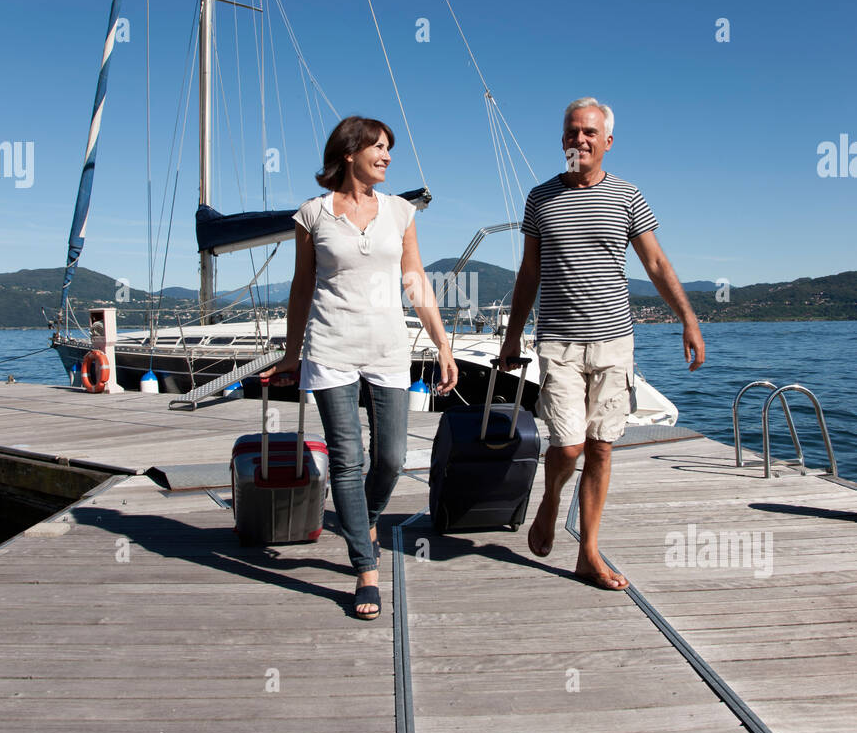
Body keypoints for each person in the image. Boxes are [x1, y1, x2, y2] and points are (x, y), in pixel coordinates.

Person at [499, 97, 705, 590]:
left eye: (590, 132)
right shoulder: (540, 198)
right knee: (567, 448)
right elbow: (529, 272)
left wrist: (688, 319)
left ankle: (588, 552)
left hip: (615, 344)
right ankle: (551, 501)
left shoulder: (629, 197)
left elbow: (655, 264)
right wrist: (511, 337)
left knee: (602, 448)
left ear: (608, 141)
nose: (580, 140)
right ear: (563, 139)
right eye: (572, 132)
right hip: (559, 345)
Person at [267, 116, 458, 619]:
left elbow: (414, 278)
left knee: (391, 458)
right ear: (349, 152)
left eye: (389, 148)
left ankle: (361, 520)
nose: (388, 156)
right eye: (378, 146)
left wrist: (442, 343)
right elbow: (301, 288)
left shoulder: (400, 211)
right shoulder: (312, 214)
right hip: (331, 346)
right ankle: (365, 569)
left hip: (389, 349)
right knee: (347, 458)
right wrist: (292, 352)